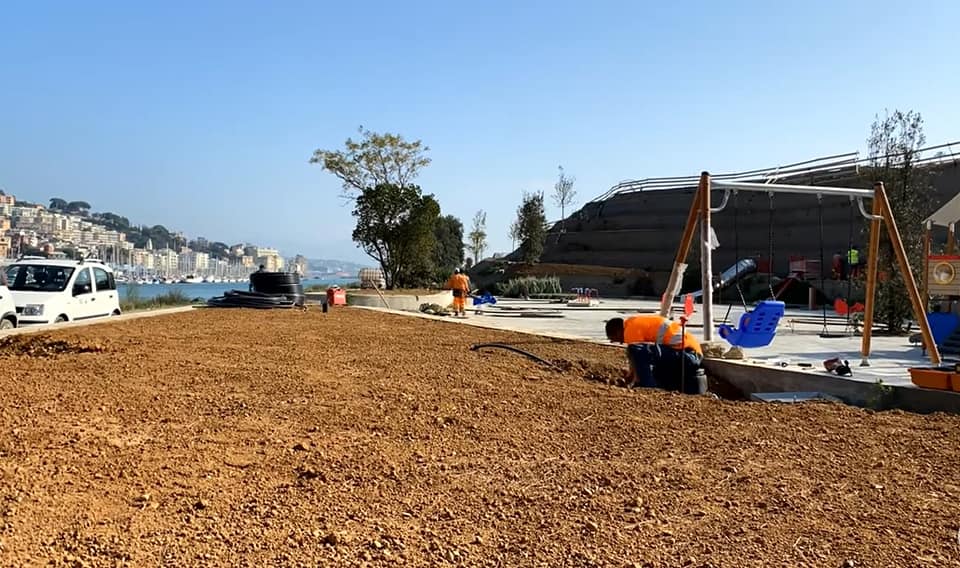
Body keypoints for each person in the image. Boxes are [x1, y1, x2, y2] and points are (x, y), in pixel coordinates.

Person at [605, 314, 705, 394]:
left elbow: (635, 352)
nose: (621, 343)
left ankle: (647, 388)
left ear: (618, 332)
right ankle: (654, 385)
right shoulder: (633, 323)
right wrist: (631, 375)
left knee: (636, 349)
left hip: (688, 356)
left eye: (616, 340)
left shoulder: (630, 330)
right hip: (690, 355)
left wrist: (634, 378)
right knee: (647, 354)